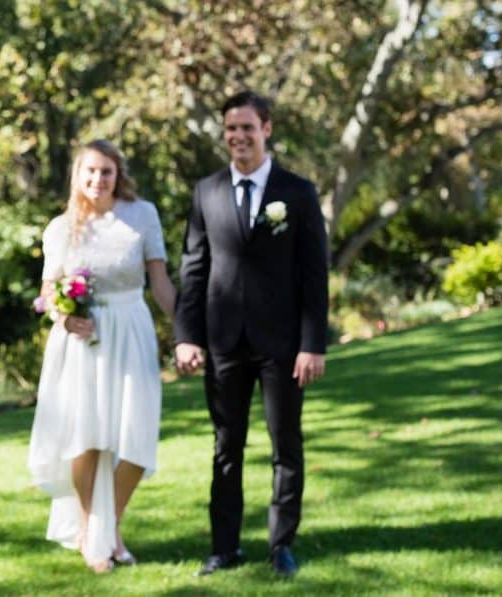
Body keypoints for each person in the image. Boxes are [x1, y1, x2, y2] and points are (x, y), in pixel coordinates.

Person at [173, 91, 328, 578]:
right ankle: (224, 547)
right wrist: (186, 336)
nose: (238, 137)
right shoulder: (207, 191)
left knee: (286, 446)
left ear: (266, 129)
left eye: (247, 127)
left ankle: (281, 544)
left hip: (283, 346)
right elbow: (194, 269)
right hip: (223, 344)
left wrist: (312, 343)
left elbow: (314, 275)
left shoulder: (297, 192)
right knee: (226, 447)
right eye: (230, 129)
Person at [28, 139, 177, 573]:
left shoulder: (142, 216)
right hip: (81, 340)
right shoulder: (60, 228)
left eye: (106, 171)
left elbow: (161, 282)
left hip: (132, 328)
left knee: (135, 437)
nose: (98, 179)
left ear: (118, 174)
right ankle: (98, 536)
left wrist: (188, 330)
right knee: (86, 438)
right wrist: (64, 317)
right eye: (90, 171)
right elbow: (47, 293)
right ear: (78, 175)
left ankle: (105, 529)